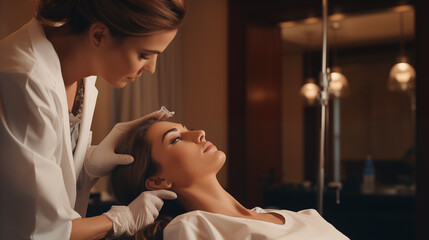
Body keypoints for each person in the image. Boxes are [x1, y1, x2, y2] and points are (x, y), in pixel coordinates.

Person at [0, 0, 185, 239]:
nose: (151, 69)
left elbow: (49, 172)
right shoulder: (25, 81)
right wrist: (120, 220)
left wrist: (86, 165)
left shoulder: (83, 74)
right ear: (99, 35)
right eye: (144, 55)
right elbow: (38, 230)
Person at [111, 118, 350, 240]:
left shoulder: (303, 215)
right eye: (175, 139)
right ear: (158, 181)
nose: (199, 133)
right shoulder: (192, 229)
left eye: (187, 128)